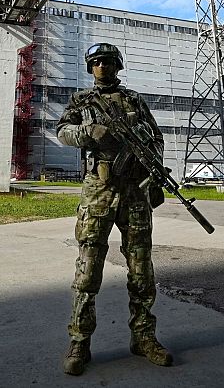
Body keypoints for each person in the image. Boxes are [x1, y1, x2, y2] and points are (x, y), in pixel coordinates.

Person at [56, 42, 172, 376]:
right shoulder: (81, 100)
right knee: (88, 269)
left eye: (107, 61)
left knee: (141, 269)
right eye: (96, 62)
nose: (102, 66)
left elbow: (156, 138)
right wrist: (87, 132)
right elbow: (62, 132)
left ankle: (144, 337)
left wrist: (153, 167)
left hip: (135, 192)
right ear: (89, 67)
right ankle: (79, 341)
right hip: (98, 192)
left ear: (118, 65)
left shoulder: (134, 99)